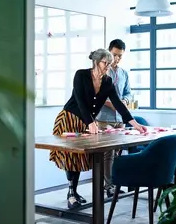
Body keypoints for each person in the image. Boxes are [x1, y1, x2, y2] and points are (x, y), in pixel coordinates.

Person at [50, 48, 147, 209]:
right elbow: (80, 101)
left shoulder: (108, 81)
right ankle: (72, 192)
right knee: (72, 157)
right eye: (105, 63)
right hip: (69, 118)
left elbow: (117, 103)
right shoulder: (81, 75)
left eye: (109, 64)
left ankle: (73, 192)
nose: (108, 66)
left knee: (81, 159)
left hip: (87, 121)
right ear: (95, 62)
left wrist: (134, 123)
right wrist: (90, 122)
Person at [96, 39, 131, 198]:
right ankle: (108, 186)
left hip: (119, 119)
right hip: (104, 118)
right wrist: (111, 103)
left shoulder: (124, 73)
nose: (117, 59)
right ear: (109, 52)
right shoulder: (102, 71)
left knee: (117, 152)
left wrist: (125, 101)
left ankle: (113, 183)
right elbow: (96, 95)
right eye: (115, 55)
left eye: (120, 56)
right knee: (108, 154)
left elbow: (128, 93)